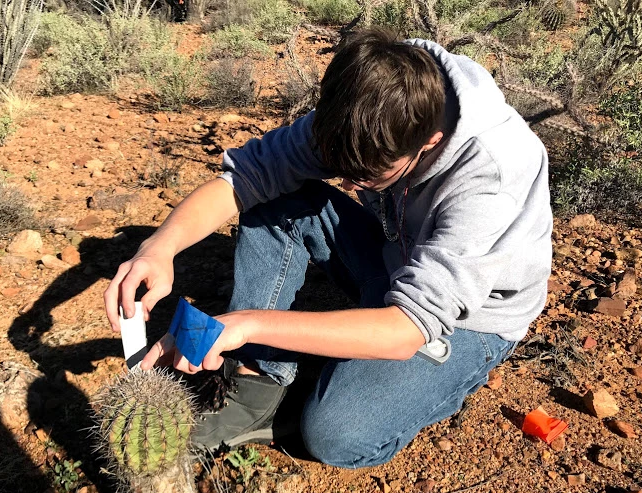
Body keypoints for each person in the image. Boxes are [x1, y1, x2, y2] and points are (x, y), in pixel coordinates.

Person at [104, 28, 553, 469]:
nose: (347, 185)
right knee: (280, 195)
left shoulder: (492, 176)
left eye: (367, 177)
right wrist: (158, 247)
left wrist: (246, 324)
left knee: (334, 436)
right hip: (394, 254)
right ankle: (258, 385)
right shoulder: (369, 104)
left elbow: (408, 328)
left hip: (470, 317)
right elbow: (248, 176)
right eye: (341, 168)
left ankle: (443, 381)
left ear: (429, 142)